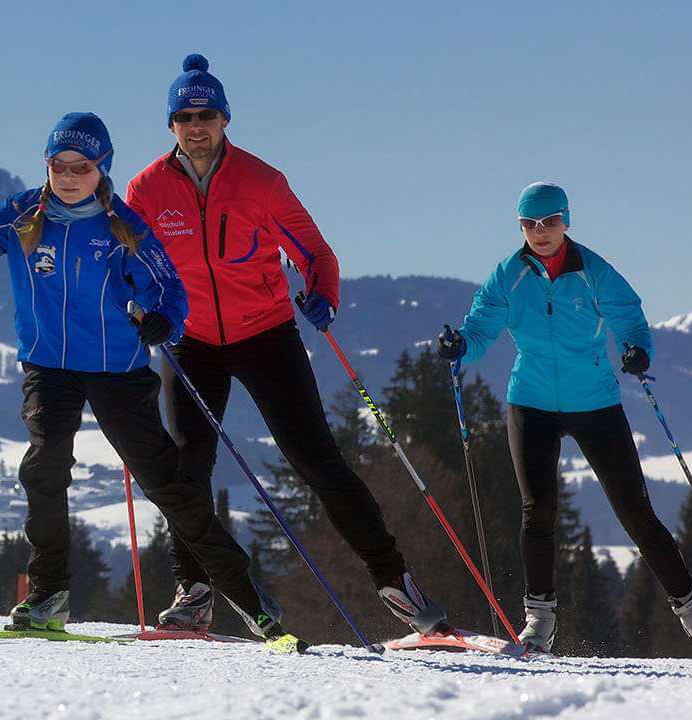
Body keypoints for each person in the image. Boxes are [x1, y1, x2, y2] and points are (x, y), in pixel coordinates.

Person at [0, 112, 299, 649]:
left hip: (117, 372)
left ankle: (249, 599)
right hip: (48, 368)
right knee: (44, 469)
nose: (68, 176)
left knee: (167, 484)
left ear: (102, 169)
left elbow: (170, 290)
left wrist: (167, 319)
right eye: (58, 165)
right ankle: (48, 597)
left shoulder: (125, 228)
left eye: (82, 166)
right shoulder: (23, 214)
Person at [124, 53, 451, 637]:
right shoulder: (146, 188)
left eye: (206, 114)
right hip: (191, 339)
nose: (195, 126)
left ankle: (393, 580)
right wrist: (139, 306)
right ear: (170, 125)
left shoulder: (262, 182)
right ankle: (194, 590)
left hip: (266, 334)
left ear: (225, 120)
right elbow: (133, 262)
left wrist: (322, 294)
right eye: (184, 116)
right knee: (186, 468)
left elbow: (316, 253)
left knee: (317, 462)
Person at [435, 181, 692, 662]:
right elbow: (480, 327)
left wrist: (637, 350)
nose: (540, 232)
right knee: (539, 512)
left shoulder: (594, 272)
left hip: (595, 404)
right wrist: (460, 346)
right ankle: (538, 625)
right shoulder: (508, 276)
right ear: (520, 227)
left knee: (637, 514)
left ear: (566, 222)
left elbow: (630, 318)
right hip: (530, 404)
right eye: (529, 224)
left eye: (549, 222)